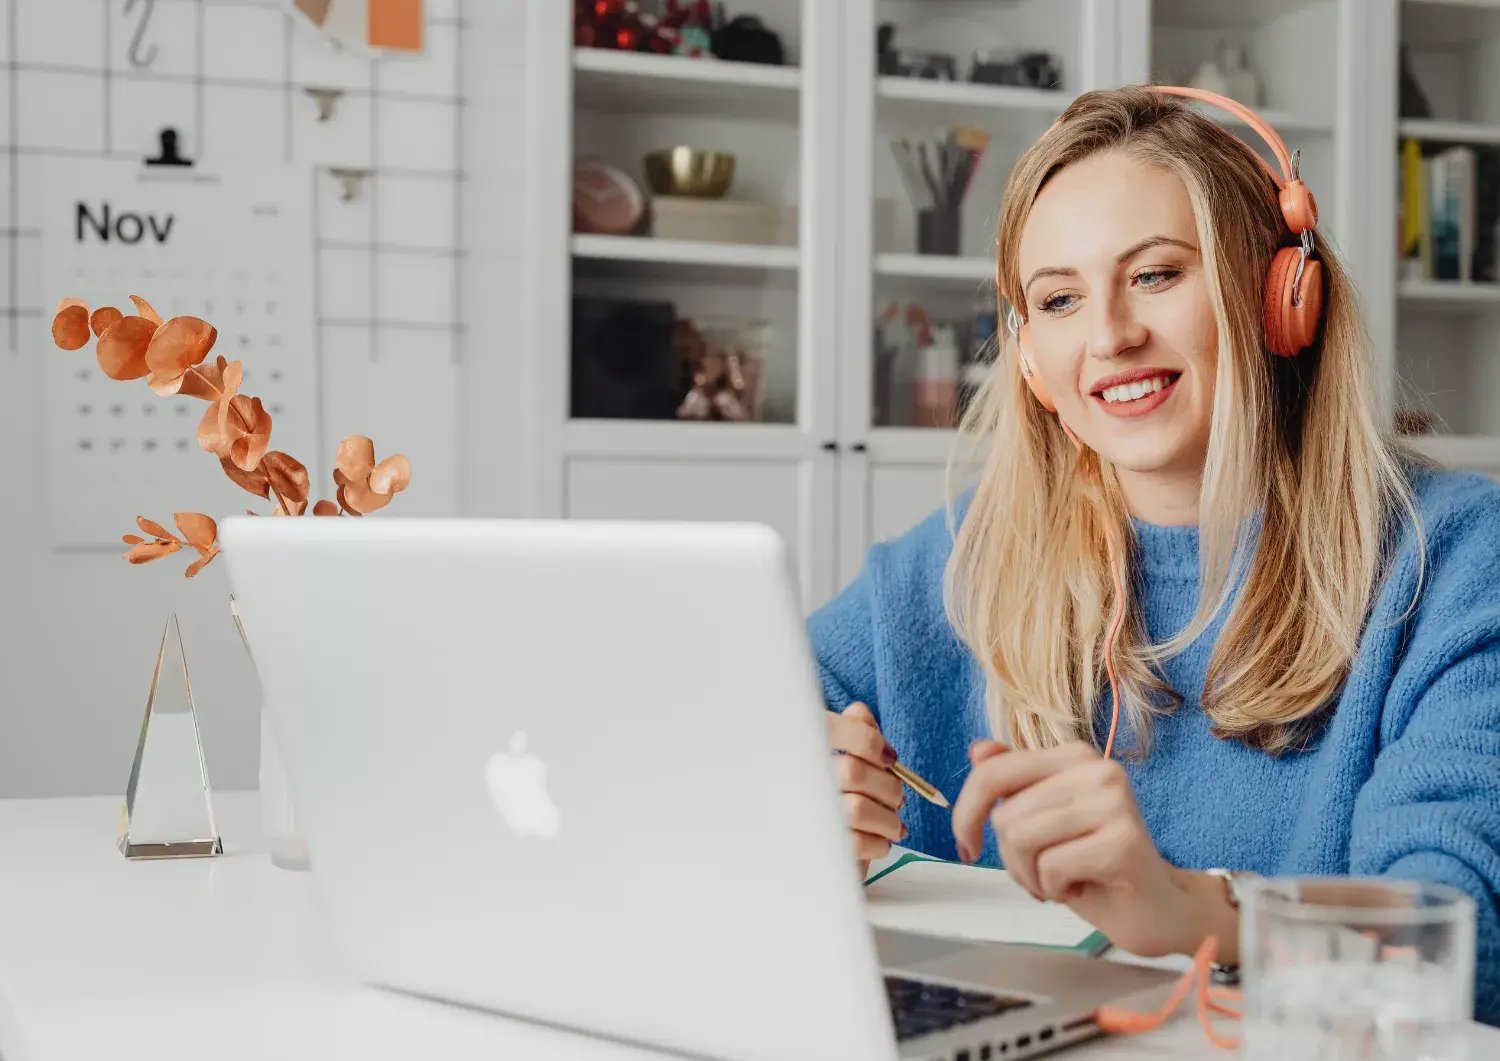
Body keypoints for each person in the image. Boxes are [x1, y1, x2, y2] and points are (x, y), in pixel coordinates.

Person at [811, 85, 1500, 1025]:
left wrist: (1190, 911)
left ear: (1279, 296)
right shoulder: (967, 553)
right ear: (1027, 356)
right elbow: (733, 714)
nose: (1109, 336)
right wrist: (796, 799)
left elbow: (1454, 940)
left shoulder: (1454, 557)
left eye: (1157, 275)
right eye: (1059, 298)